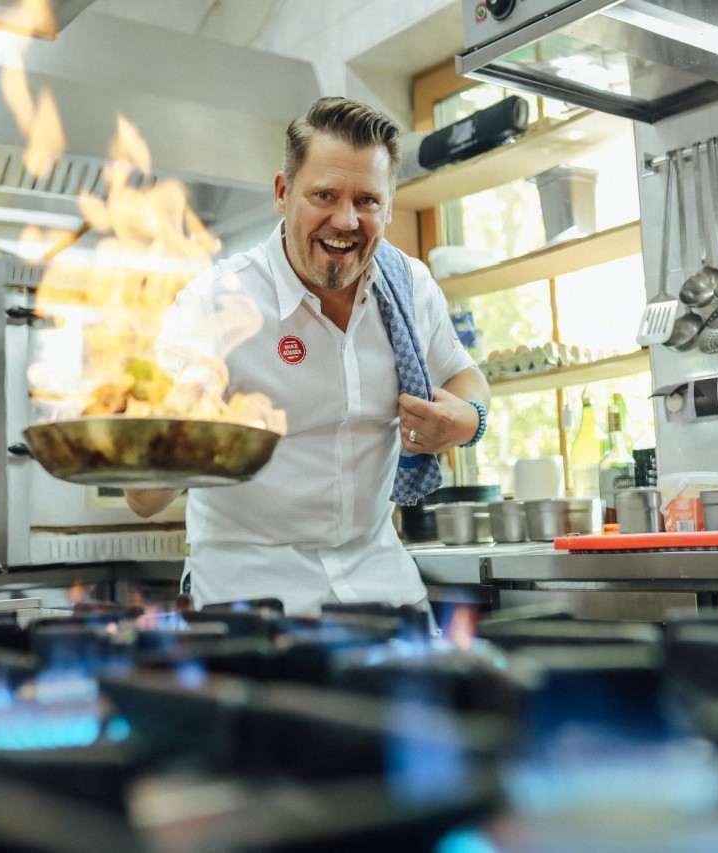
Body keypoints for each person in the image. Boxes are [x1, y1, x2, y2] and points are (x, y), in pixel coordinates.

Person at [126, 96, 489, 616]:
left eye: (367, 200)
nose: (345, 220)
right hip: (249, 603)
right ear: (282, 192)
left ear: (388, 205)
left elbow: (464, 375)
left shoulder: (409, 285)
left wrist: (469, 420)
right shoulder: (215, 304)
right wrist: (187, 429)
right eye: (324, 195)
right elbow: (141, 499)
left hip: (383, 591)